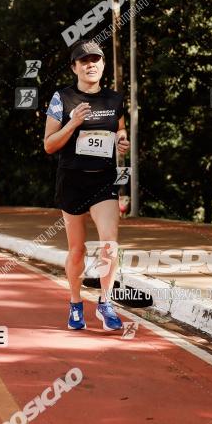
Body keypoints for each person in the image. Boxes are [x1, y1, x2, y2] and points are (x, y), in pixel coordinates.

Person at [44, 40, 130, 331]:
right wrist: (71, 124)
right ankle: (75, 303)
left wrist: (121, 142)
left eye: (96, 59)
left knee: (110, 243)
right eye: (84, 61)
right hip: (72, 181)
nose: (90, 64)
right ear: (74, 67)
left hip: (103, 180)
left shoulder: (114, 100)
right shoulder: (62, 99)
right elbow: (49, 145)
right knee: (77, 249)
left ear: (103, 64)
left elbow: (119, 130)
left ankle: (105, 303)